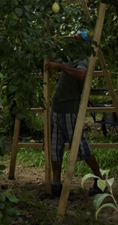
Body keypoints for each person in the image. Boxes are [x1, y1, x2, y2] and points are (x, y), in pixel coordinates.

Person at [44, 30, 103, 198]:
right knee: (55, 147)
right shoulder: (70, 56)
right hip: (56, 109)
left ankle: (100, 179)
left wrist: (60, 66)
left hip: (70, 111)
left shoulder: (83, 58)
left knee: (82, 148)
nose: (73, 42)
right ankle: (56, 184)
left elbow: (82, 75)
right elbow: (55, 62)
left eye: (76, 40)